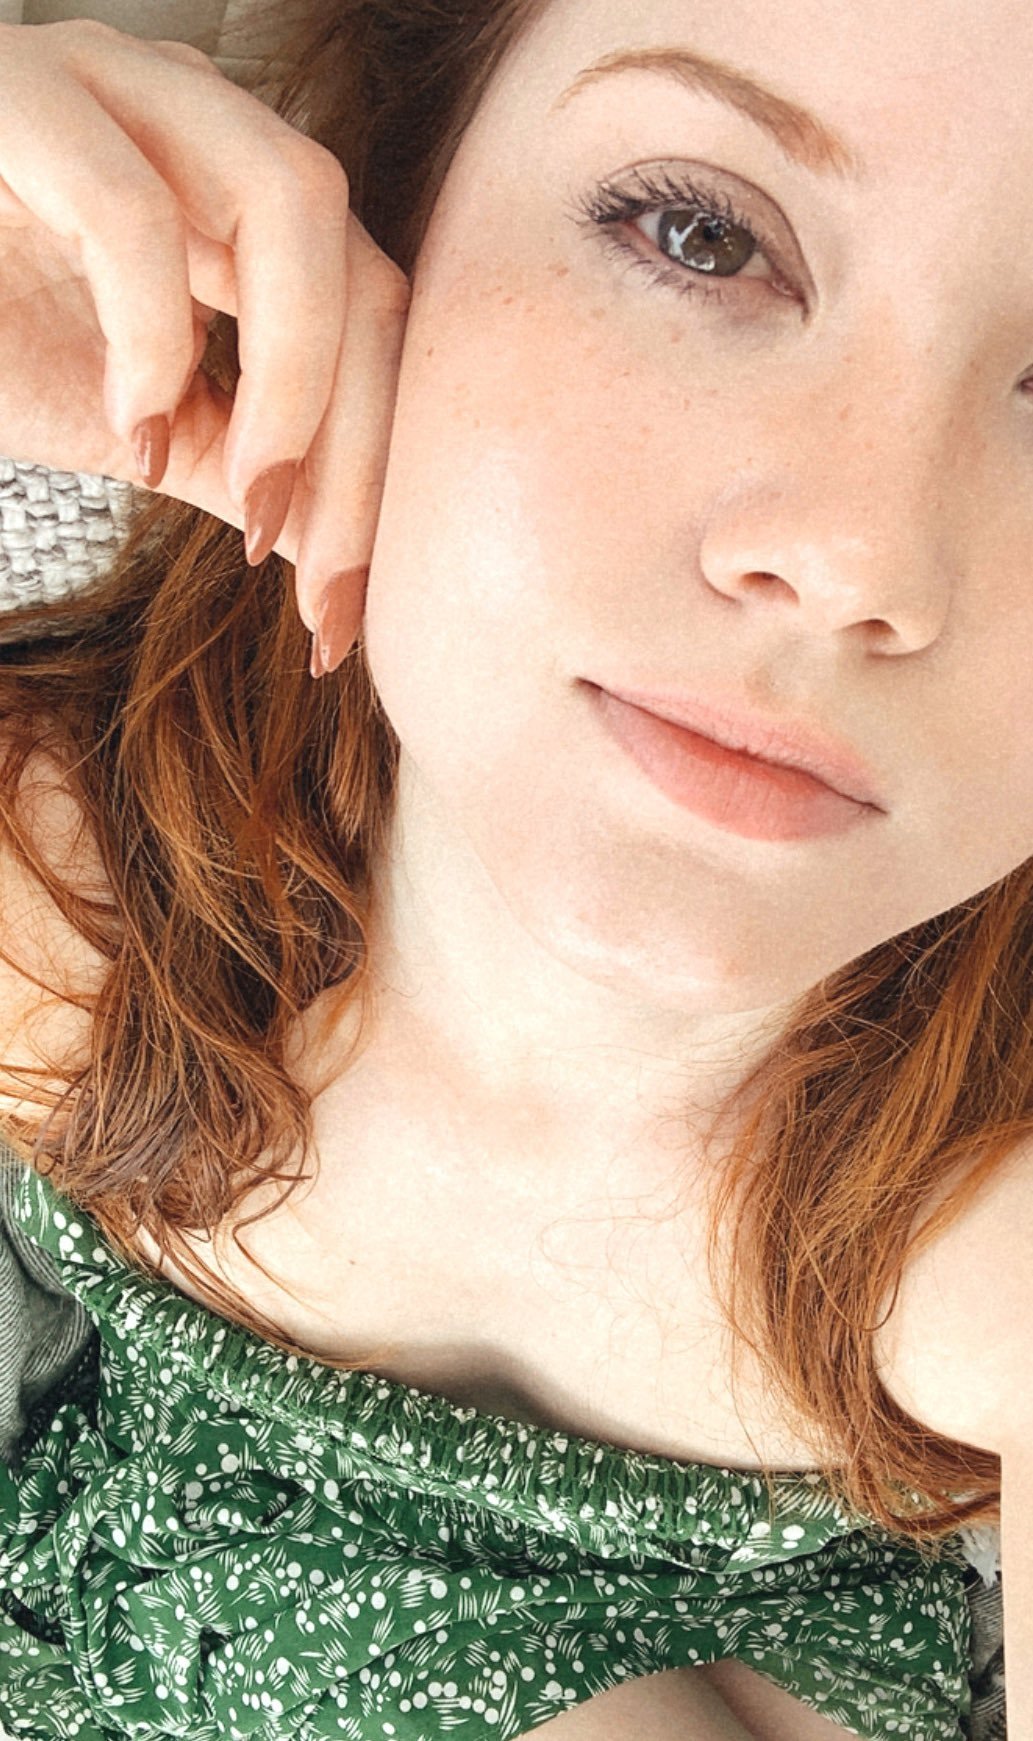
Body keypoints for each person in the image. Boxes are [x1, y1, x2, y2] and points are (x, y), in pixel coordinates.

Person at [0, 0, 1021, 1734]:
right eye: (699, 236)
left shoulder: (981, 1235)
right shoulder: (76, 882)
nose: (856, 556)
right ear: (386, 207)